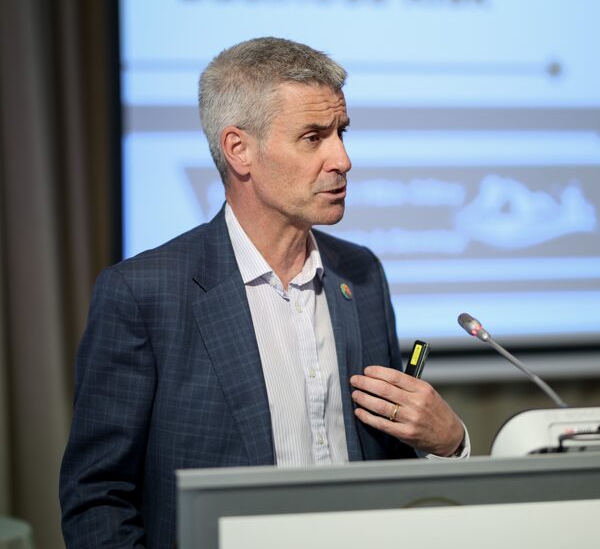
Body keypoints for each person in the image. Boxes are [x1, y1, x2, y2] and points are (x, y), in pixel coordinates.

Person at [59, 37, 468, 549]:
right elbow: (98, 498)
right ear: (239, 150)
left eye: (341, 133)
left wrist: (449, 443)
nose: (342, 159)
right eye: (313, 137)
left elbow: (385, 462)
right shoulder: (143, 294)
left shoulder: (361, 275)